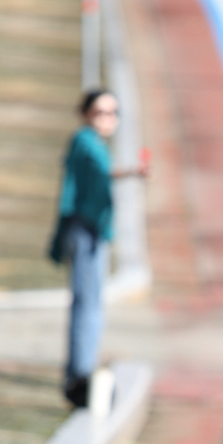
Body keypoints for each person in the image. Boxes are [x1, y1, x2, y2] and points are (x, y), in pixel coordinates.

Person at [48, 89, 146, 408]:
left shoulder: (94, 143)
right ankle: (79, 376)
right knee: (88, 305)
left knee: (91, 303)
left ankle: (82, 370)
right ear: (86, 113)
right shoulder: (85, 141)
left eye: (113, 113)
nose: (109, 119)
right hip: (85, 230)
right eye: (101, 112)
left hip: (92, 230)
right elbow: (100, 169)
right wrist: (132, 172)